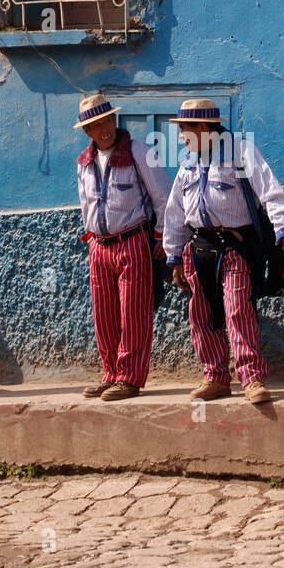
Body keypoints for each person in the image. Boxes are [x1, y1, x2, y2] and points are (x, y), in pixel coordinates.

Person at [161, 99, 284, 405]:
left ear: (202, 128)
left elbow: (269, 189)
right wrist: (174, 257)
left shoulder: (240, 152)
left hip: (234, 246)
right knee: (202, 315)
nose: (182, 136)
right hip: (198, 249)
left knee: (238, 310)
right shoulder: (188, 162)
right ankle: (215, 377)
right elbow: (174, 212)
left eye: (185, 129)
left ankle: (251, 378)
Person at [74, 93, 173, 400]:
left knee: (134, 313)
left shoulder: (139, 152)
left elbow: (164, 197)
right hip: (98, 248)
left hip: (132, 242)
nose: (103, 130)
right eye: (95, 126)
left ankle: (130, 378)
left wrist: (161, 238)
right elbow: (86, 205)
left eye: (107, 122)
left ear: (114, 121)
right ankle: (111, 373)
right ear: (87, 132)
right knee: (103, 315)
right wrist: (91, 240)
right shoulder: (84, 163)